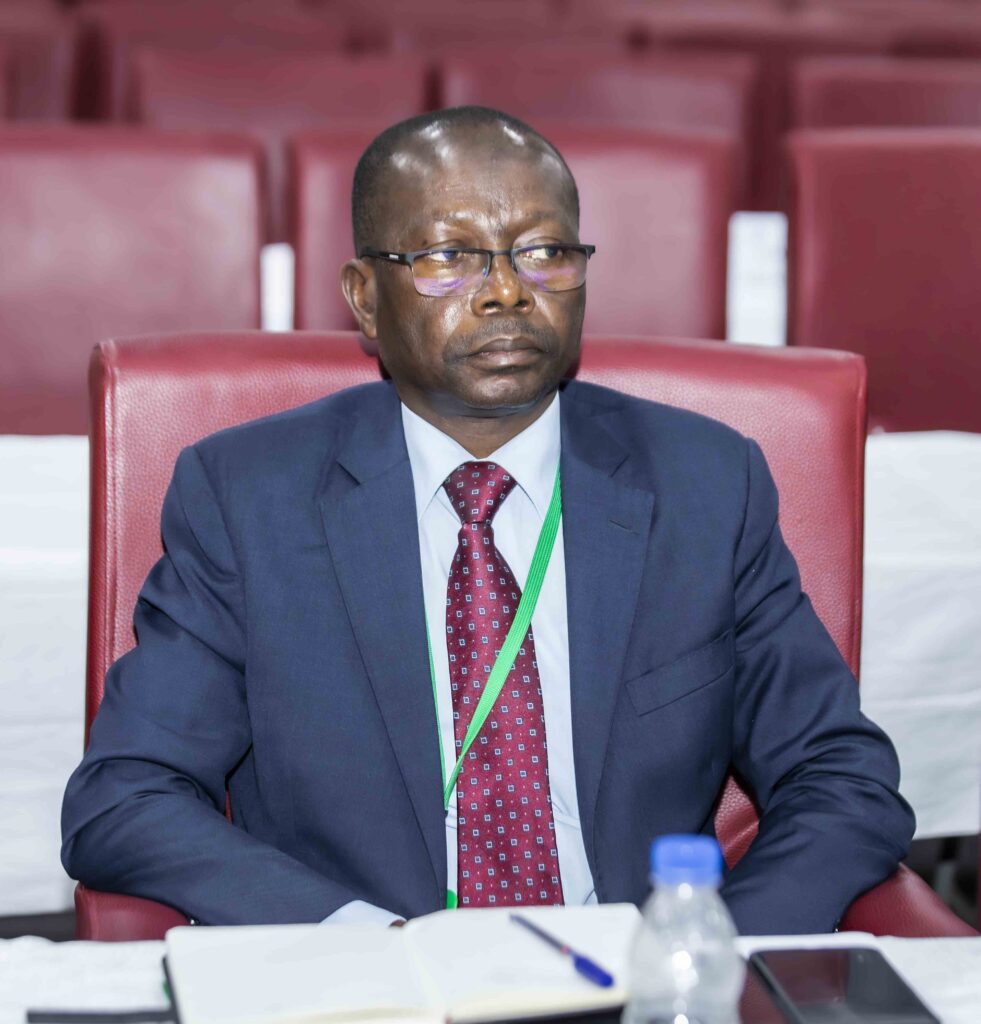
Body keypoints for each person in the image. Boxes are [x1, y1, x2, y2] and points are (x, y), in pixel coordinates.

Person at [61, 106, 914, 934]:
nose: (506, 291)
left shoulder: (703, 484)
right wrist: (362, 945)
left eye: (544, 253)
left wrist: (701, 952)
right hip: (371, 978)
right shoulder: (248, 497)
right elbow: (125, 798)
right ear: (364, 298)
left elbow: (840, 778)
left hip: (631, 968)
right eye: (448, 257)